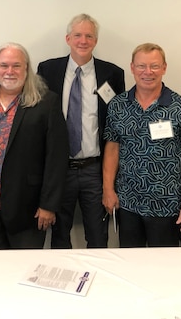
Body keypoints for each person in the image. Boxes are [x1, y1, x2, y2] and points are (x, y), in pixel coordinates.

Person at [0, 42, 69, 249]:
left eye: (16, 66)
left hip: (29, 206)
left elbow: (56, 157)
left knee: (25, 269)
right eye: (4, 65)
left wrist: (48, 205)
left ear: (27, 69)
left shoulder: (46, 102)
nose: (9, 71)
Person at [37, 14, 124, 249]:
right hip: (59, 169)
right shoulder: (47, 69)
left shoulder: (112, 74)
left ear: (95, 41)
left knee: (98, 236)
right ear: (68, 38)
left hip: (94, 170)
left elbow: (118, 121)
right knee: (59, 235)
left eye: (89, 36)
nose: (83, 41)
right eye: (78, 35)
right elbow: (30, 101)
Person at [102, 43, 181, 247]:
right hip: (128, 203)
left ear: (164, 68)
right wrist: (107, 189)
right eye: (141, 66)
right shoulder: (117, 106)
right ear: (132, 68)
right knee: (130, 263)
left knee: (162, 268)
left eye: (154, 66)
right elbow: (112, 149)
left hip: (167, 205)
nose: (148, 72)